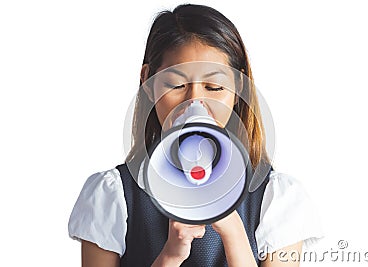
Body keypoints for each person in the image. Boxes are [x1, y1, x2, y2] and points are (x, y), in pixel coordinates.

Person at [68, 4, 323, 267]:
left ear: (239, 88)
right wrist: (171, 255)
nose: (194, 103)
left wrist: (233, 232)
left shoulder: (276, 197)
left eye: (214, 86)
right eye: (176, 85)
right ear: (147, 81)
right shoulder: (113, 194)